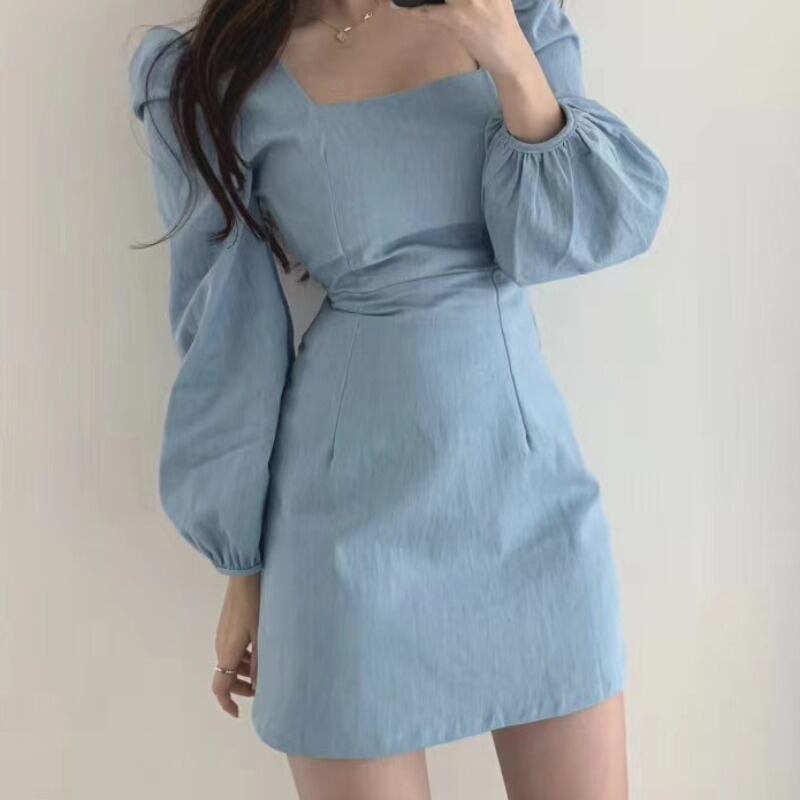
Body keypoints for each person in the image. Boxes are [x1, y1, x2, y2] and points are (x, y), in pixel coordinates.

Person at [128, 0, 668, 795]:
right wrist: (242, 570)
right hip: (345, 531)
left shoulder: (517, 14)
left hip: (532, 500)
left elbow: (580, 233)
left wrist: (506, 53)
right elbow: (227, 337)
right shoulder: (219, 74)